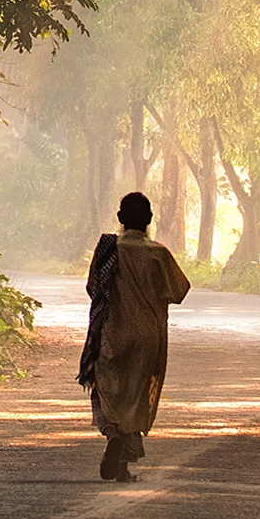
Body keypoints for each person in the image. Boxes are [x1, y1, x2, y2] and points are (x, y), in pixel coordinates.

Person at [78, 190, 192, 482]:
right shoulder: (158, 253)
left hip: (113, 332)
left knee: (106, 389)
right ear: (150, 219)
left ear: (120, 219)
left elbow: (93, 289)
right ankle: (123, 467)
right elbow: (179, 291)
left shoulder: (108, 250)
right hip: (147, 337)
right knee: (134, 396)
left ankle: (112, 434)